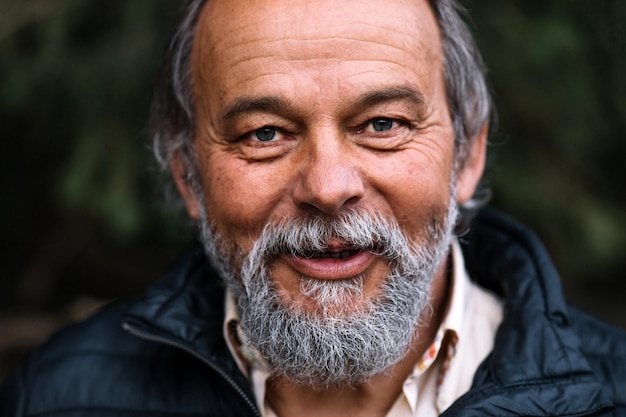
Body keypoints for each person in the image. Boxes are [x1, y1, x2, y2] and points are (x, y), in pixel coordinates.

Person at [2, 0, 625, 415]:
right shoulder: (59, 397)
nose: (328, 187)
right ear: (189, 176)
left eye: (382, 123)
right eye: (264, 133)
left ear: (467, 157)